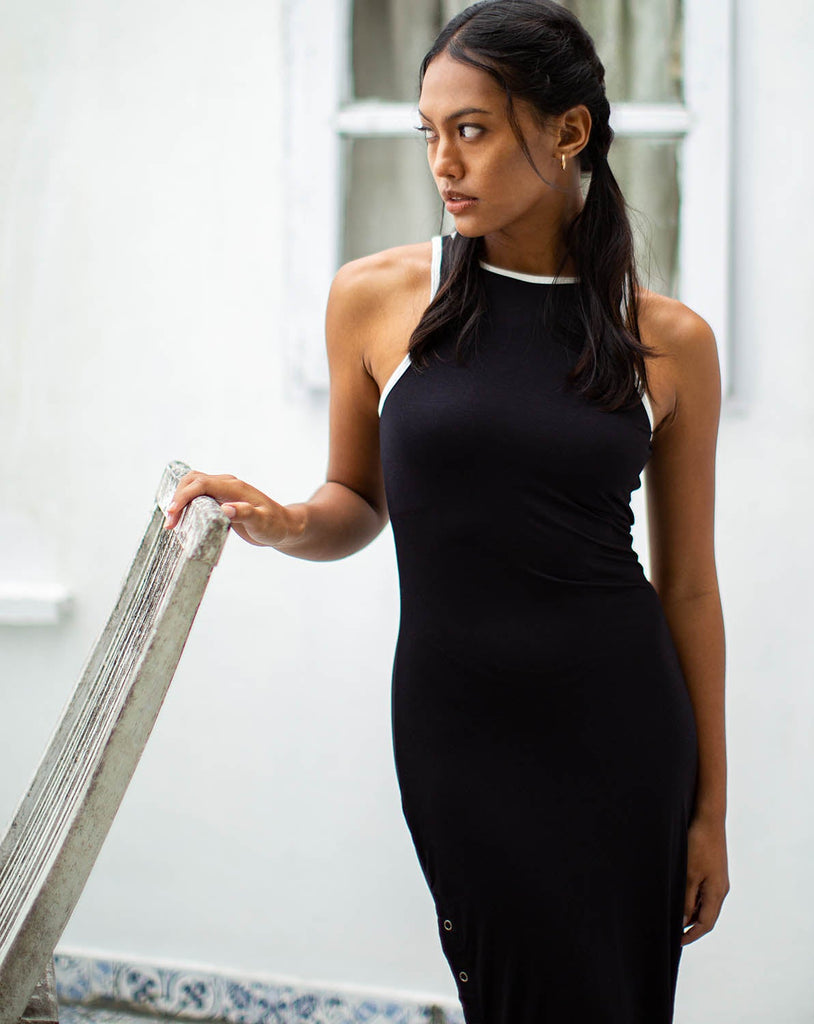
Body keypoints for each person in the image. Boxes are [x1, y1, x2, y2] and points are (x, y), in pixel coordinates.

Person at [164, 1, 727, 1020]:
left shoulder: (667, 340)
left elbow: (686, 585)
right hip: (458, 732)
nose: (443, 162)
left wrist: (710, 812)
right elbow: (355, 500)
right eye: (428, 132)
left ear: (568, 130)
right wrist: (285, 519)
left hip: (622, 731)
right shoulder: (376, 297)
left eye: (471, 129)